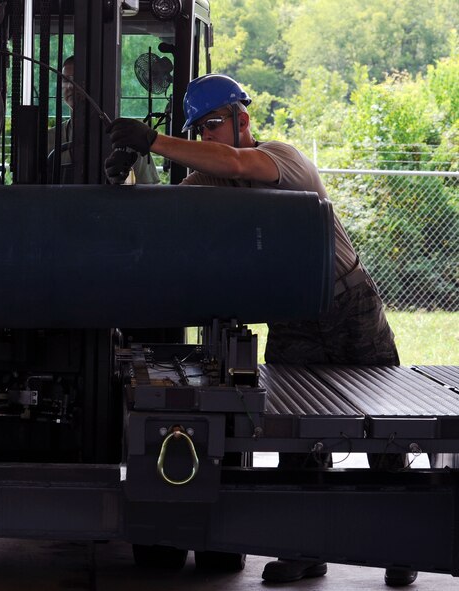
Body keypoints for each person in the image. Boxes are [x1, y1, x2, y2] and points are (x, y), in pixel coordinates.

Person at [105, 74, 415, 588]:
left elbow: (236, 163)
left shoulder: (278, 156)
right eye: (198, 129)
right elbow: (166, 211)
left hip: (347, 303)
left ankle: (399, 546)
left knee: (378, 426)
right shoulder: (210, 182)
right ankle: (304, 549)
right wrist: (130, 173)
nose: (206, 136)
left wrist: (152, 139)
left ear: (242, 120)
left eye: (211, 124)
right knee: (298, 437)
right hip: (292, 315)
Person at [48, 57, 158, 185]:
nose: (70, 86)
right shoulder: (50, 139)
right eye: (65, 80)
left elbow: (149, 190)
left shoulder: (129, 137)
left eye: (77, 80)